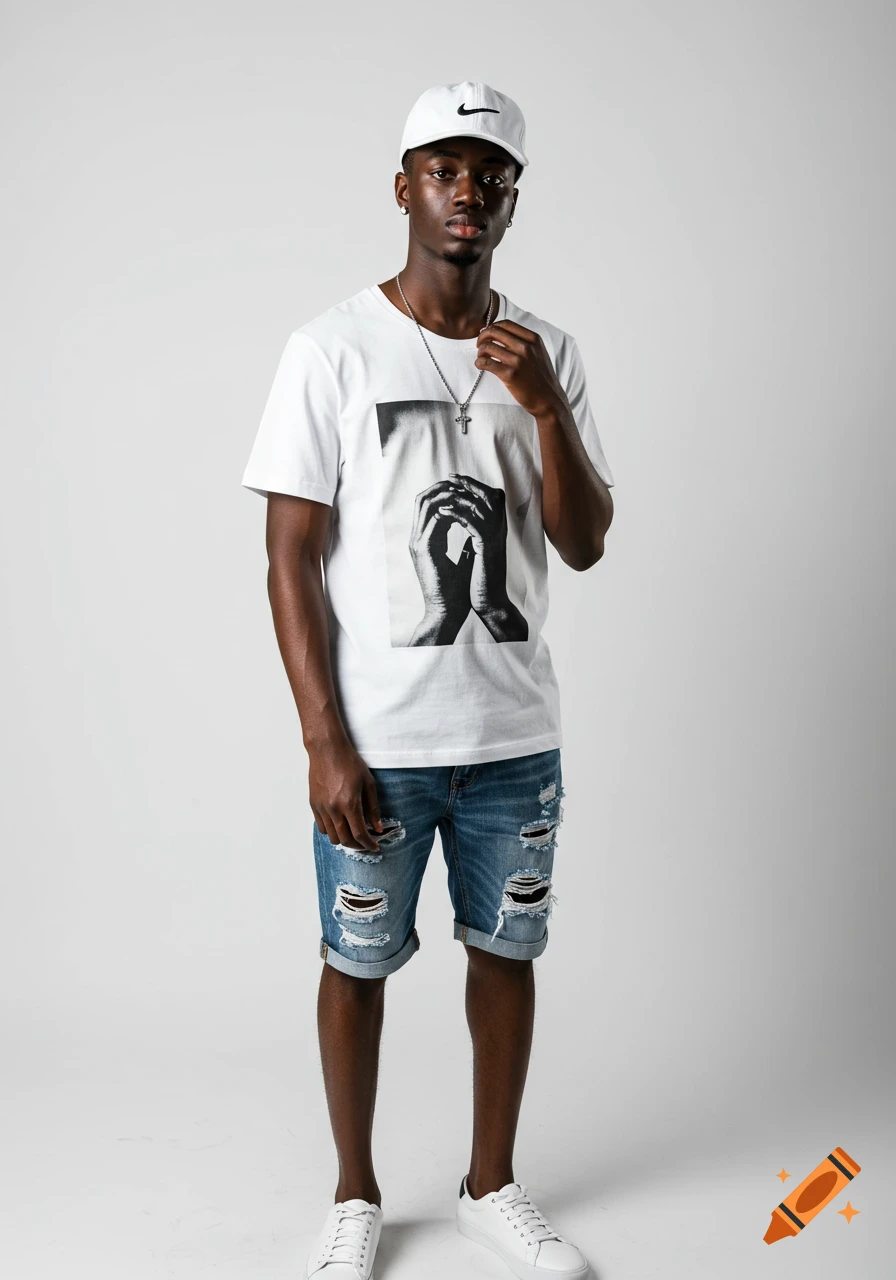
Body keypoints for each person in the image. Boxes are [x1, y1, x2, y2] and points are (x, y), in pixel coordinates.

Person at [242, 80, 615, 1280]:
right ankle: (354, 1195)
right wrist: (322, 742)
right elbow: (288, 555)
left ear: (513, 198)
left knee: (505, 950)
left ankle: (488, 1184)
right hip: (379, 739)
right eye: (444, 169)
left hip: (513, 731)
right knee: (357, 961)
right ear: (403, 188)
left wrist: (545, 408)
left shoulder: (546, 351)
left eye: (490, 173)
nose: (468, 190)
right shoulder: (329, 347)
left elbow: (584, 538)